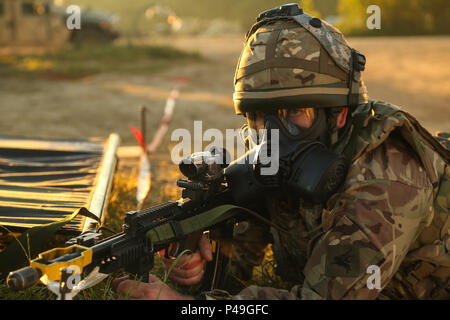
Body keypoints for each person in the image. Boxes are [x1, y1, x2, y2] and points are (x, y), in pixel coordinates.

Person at [113, 4, 449, 300]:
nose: (274, 136)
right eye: (260, 117)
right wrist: (203, 261)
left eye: (296, 113)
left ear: (340, 113)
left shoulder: (388, 174)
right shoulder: (273, 159)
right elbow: (236, 267)